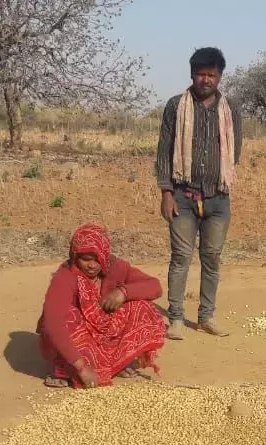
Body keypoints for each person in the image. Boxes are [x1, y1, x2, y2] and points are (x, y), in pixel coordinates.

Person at [155, 46, 243, 340]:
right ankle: (176, 318)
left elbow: (235, 151)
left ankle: (206, 316)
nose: (206, 80)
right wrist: (166, 192)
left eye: (212, 75)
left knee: (212, 257)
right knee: (180, 257)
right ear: (192, 75)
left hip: (218, 198)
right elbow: (165, 152)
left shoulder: (231, 109)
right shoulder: (174, 106)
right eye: (200, 74)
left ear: (220, 77)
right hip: (183, 196)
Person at [36, 224, 167, 389]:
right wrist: (81, 367)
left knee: (141, 307)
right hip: (78, 336)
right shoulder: (65, 276)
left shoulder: (116, 268)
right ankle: (64, 369)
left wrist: (123, 292)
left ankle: (116, 364)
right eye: (86, 259)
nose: (92, 265)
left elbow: (154, 286)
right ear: (75, 256)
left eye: (97, 259)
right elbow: (53, 323)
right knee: (70, 317)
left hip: (103, 332)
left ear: (105, 256)